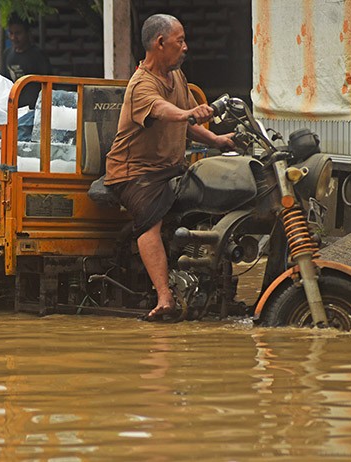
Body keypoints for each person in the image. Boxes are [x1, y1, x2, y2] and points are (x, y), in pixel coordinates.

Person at [103, 14, 235, 320]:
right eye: (180, 41)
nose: (186, 47)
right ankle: (164, 297)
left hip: (171, 169)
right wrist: (188, 112)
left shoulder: (176, 76)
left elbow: (188, 123)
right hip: (134, 173)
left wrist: (217, 140)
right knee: (151, 222)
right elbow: (167, 111)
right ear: (160, 43)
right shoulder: (141, 85)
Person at [1, 14, 53, 108]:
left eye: (18, 33)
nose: (13, 37)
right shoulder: (7, 54)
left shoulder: (38, 56)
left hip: (34, 110)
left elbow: (48, 84)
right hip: (14, 110)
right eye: (11, 33)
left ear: (28, 33)